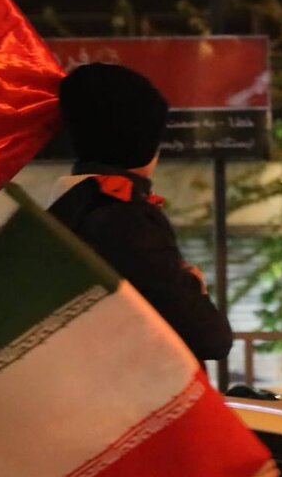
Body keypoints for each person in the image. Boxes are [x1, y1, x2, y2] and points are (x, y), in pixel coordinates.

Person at [47, 62, 233, 365]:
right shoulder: (125, 219)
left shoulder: (65, 207)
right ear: (146, 143)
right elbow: (209, 338)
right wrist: (193, 287)